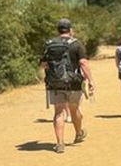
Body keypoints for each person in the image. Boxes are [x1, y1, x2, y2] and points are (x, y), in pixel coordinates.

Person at [40, 18, 95, 154]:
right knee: (74, 110)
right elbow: (83, 63)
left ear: (58, 30)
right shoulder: (76, 44)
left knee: (58, 112)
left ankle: (60, 143)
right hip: (73, 83)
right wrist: (91, 80)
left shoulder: (49, 44)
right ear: (70, 30)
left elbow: (43, 64)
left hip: (55, 83)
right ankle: (78, 133)